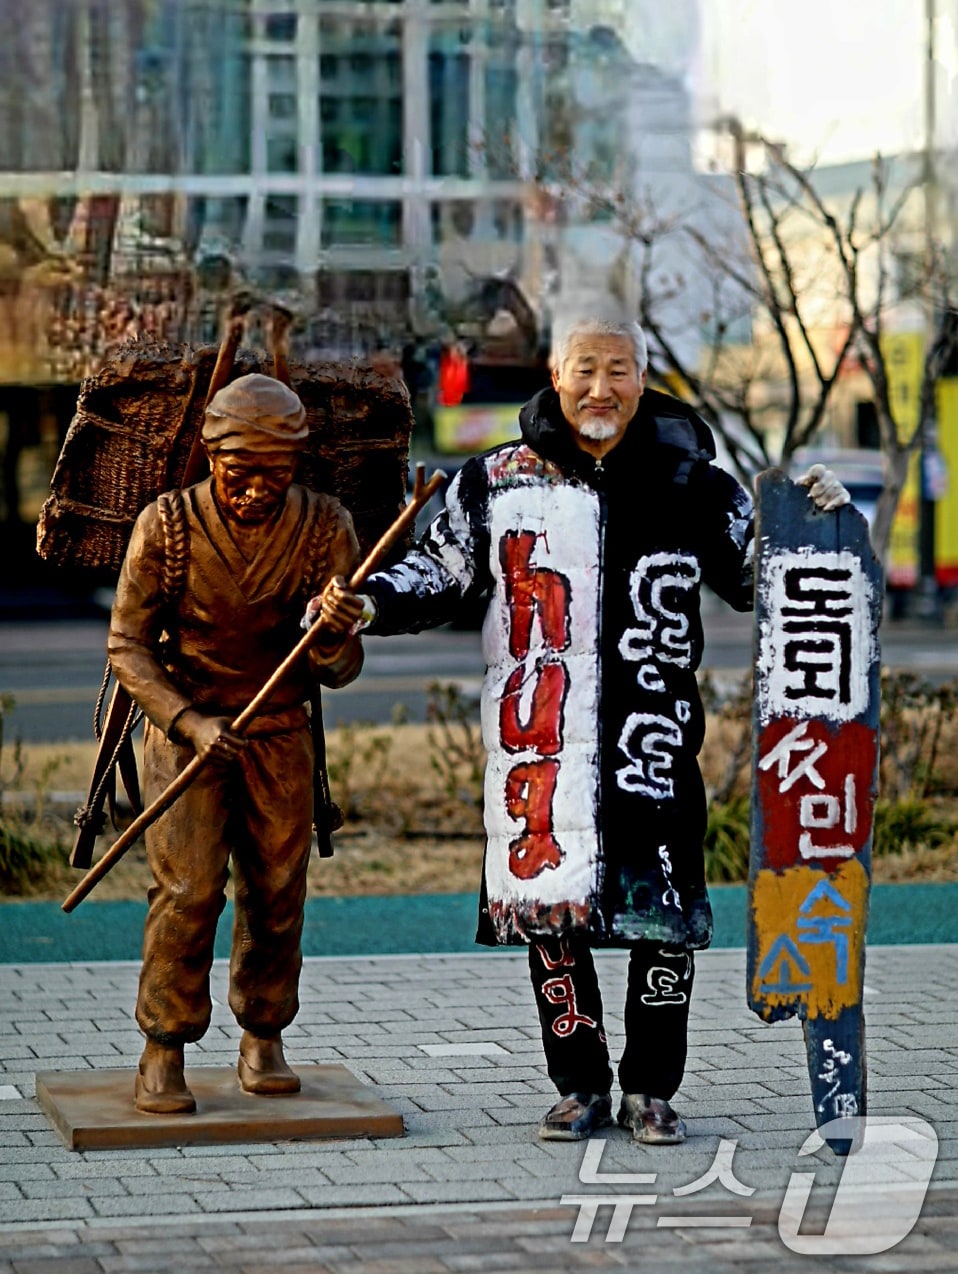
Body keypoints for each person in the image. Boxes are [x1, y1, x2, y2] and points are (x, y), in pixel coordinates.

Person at [317, 309, 849, 1145]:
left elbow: (759, 579)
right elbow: (439, 570)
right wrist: (368, 602)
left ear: (642, 378)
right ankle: (579, 1087)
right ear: (554, 376)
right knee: (549, 917)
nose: (600, 388)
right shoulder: (494, 480)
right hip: (540, 749)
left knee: (663, 924)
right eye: (583, 370)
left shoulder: (696, 484)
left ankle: (651, 1090)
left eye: (618, 370)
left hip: (655, 751)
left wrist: (812, 524)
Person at [108, 372, 364, 1114]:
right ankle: (164, 1043)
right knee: (188, 892)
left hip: (279, 732)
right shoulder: (166, 524)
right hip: (187, 733)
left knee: (277, 893)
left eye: (274, 475)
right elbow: (127, 647)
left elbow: (341, 670)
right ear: (211, 456)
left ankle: (264, 1033)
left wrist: (334, 633)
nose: (255, 490)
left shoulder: (325, 527)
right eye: (238, 473)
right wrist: (188, 722)